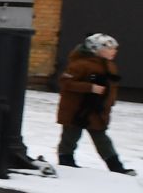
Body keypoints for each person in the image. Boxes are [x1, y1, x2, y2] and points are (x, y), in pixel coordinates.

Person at [56, 32, 135, 175]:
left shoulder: (109, 66)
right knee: (70, 136)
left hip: (97, 110)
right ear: (96, 49)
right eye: (109, 48)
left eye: (114, 49)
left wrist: (109, 104)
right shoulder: (80, 64)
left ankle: (115, 166)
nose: (114, 52)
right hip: (76, 109)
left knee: (102, 139)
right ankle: (66, 162)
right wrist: (89, 87)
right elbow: (65, 82)